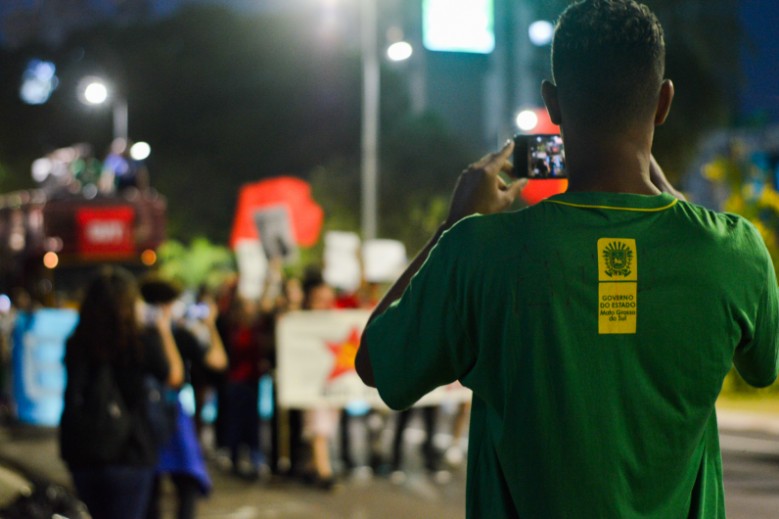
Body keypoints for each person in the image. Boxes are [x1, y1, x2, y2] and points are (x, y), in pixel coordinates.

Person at [355, 1, 779, 517]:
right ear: (663, 102)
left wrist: (453, 225)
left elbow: (376, 364)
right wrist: (670, 199)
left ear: (553, 104)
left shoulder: (478, 251)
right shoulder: (734, 252)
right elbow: (762, 368)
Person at [59, 267, 184, 519]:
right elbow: (174, 377)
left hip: (83, 451)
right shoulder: (139, 341)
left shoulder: (77, 343)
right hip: (130, 451)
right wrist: (163, 329)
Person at [141, 279, 228, 519]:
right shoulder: (153, 336)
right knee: (168, 484)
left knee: (170, 485)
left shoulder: (176, 335)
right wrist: (167, 331)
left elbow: (218, 362)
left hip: (161, 416)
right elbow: (174, 376)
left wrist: (208, 326)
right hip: (160, 416)